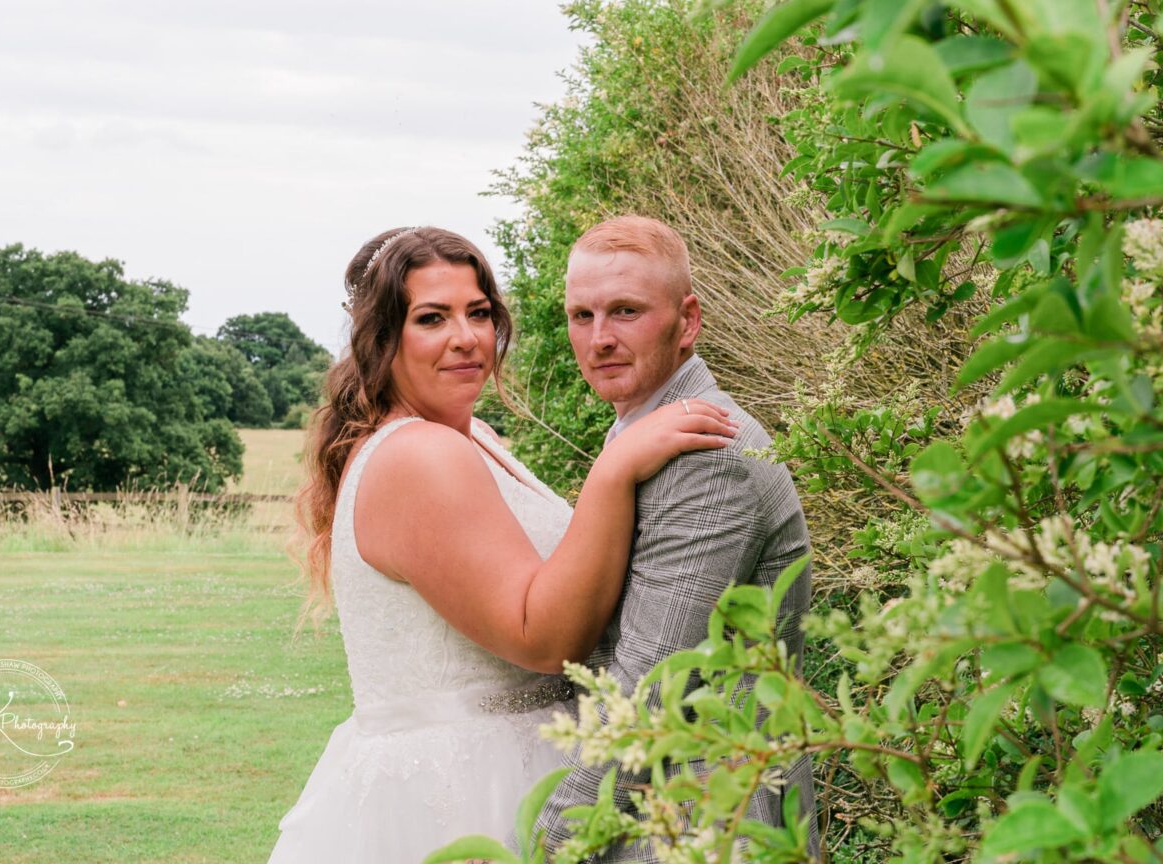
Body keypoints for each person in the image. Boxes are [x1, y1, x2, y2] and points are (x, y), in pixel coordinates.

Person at [268, 226, 736, 863]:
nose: (466, 337)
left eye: (479, 313)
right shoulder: (419, 455)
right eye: (432, 318)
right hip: (463, 790)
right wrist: (614, 469)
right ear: (383, 341)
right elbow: (541, 639)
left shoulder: (472, 437)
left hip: (522, 758)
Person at [534, 216, 819, 861]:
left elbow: (646, 689)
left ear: (686, 322)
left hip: (708, 826)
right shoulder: (641, 436)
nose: (599, 339)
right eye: (582, 316)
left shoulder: (707, 457)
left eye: (625, 311)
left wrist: (542, 843)